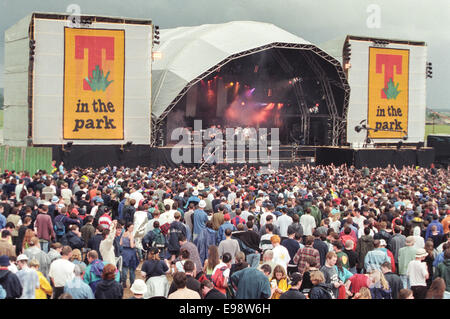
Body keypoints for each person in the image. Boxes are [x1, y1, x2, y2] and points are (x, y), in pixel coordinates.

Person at [120, 222, 139, 288]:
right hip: (131, 252)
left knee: (124, 269)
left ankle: (124, 283)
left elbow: (120, 243)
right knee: (132, 269)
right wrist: (135, 244)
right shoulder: (130, 235)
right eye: (131, 227)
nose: (132, 229)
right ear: (127, 227)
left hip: (124, 252)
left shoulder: (123, 234)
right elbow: (131, 245)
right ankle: (132, 283)